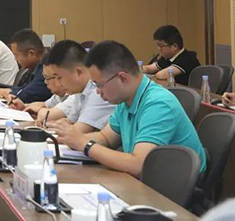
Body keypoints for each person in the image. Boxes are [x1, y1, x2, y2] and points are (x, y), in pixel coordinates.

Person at [54, 40, 206, 178]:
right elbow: (106, 138)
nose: (98, 92)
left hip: (174, 186)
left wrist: (84, 144)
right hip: (149, 179)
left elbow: (138, 165)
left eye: (99, 85)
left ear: (122, 78)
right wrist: (71, 139)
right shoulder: (126, 100)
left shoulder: (158, 104)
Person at [36, 40, 114, 133]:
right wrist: (46, 125)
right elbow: (69, 122)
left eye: (59, 78)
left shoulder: (98, 91)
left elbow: (78, 131)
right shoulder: (80, 91)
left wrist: (47, 128)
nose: (59, 83)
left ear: (78, 72)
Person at [0, 29, 52, 103]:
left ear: (31, 53)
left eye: (16, 55)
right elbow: (23, 88)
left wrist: (1, 92)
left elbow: (26, 95)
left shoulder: (48, 68)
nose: (15, 59)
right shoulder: (33, 67)